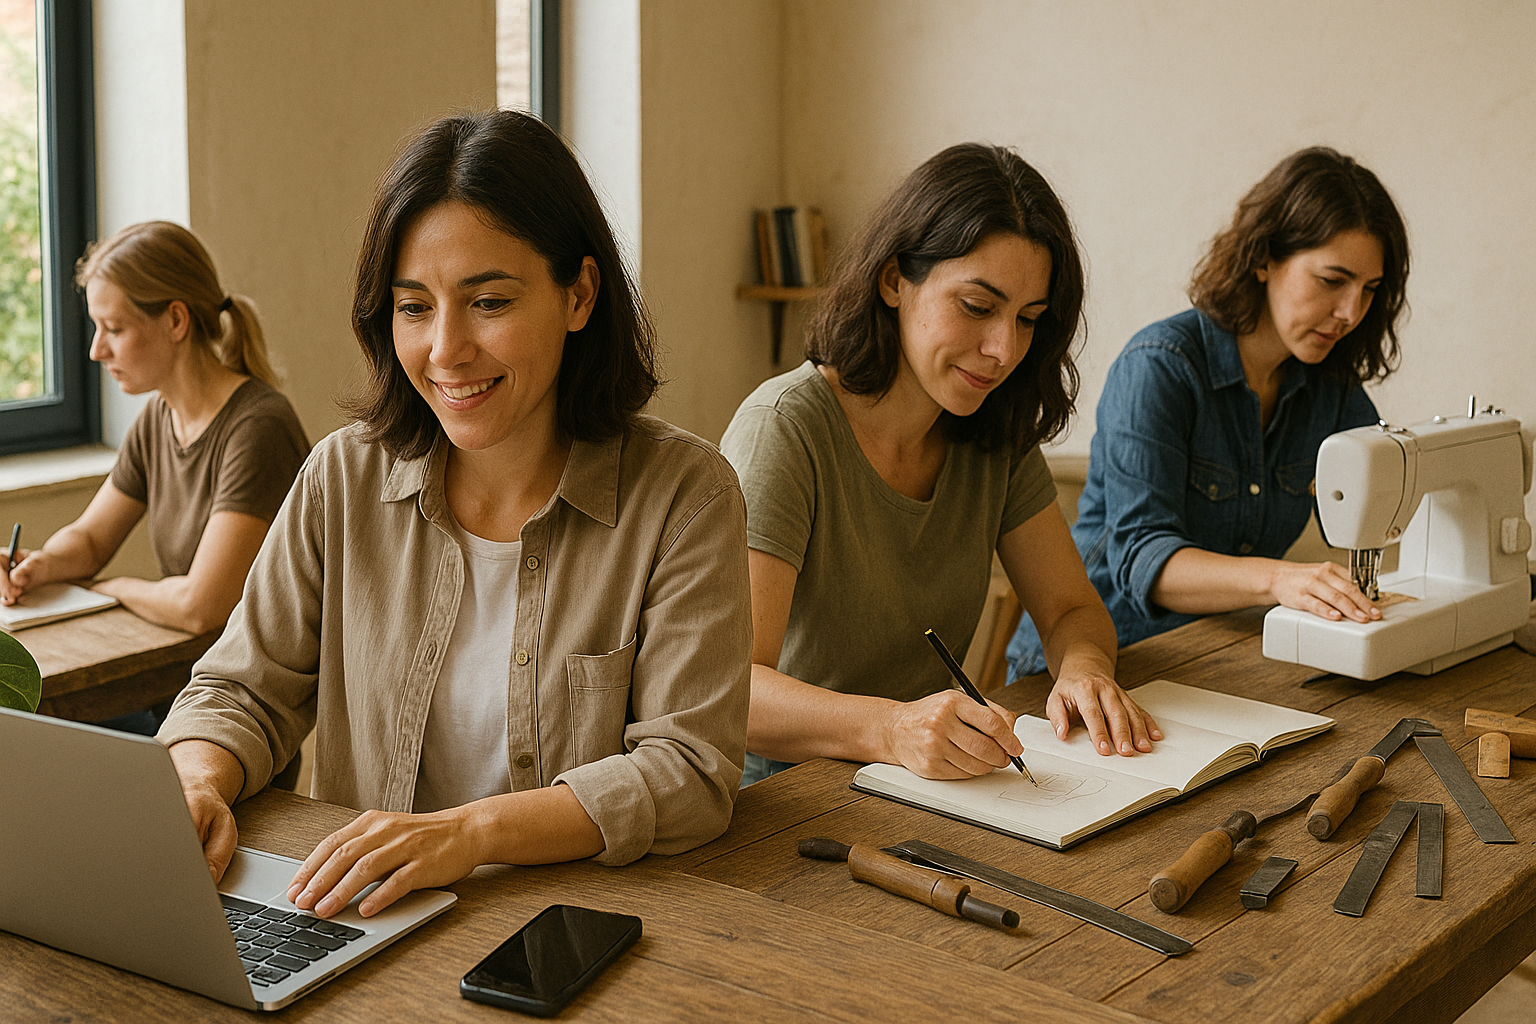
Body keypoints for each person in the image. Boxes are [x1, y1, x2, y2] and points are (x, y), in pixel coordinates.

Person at [157, 109, 752, 920]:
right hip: (354, 914)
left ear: (579, 294)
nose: (446, 349)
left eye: (489, 302)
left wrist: (470, 833)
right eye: (414, 307)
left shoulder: (686, 495)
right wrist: (197, 779)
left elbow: (688, 771)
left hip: (568, 931)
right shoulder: (342, 477)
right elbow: (240, 691)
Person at [722, 143, 1160, 788]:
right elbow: (733, 690)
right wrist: (892, 728)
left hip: (933, 786)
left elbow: (1071, 609)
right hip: (790, 798)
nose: (1003, 349)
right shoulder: (785, 428)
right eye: (977, 307)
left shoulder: (996, 433)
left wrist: (1084, 669)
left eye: (1028, 320)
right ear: (894, 281)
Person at [1007, 147, 1409, 680]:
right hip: (1094, 667)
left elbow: (1378, 495)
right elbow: (1143, 559)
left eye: (1369, 290)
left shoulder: (1330, 389)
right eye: (1333, 281)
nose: (1351, 313)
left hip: (1215, 659)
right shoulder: (1160, 368)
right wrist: (1279, 580)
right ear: (1264, 259)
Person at [0, 222, 309, 637]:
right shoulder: (157, 418)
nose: (96, 350)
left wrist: (107, 588)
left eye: (114, 328)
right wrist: (38, 565)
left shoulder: (259, 428)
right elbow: (91, 539)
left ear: (176, 320)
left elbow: (201, 607)